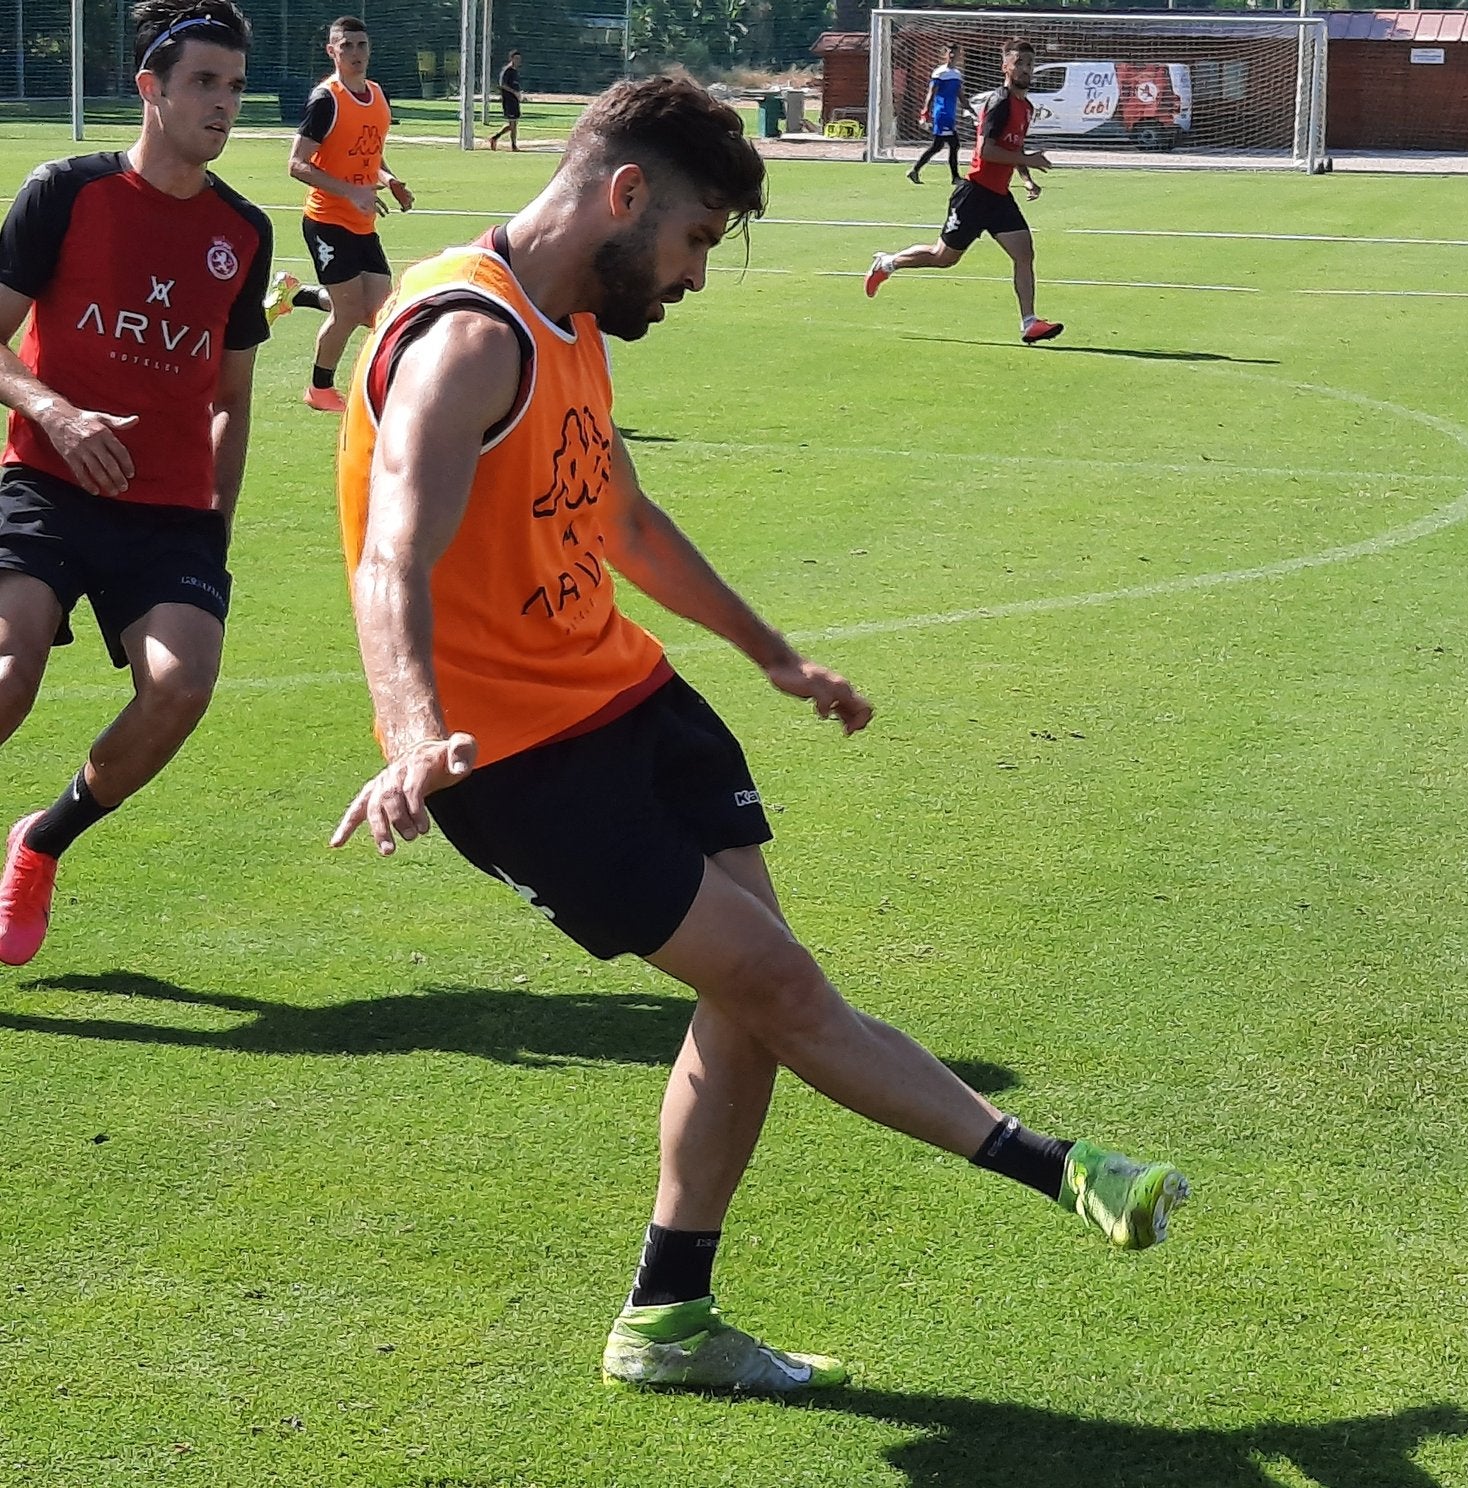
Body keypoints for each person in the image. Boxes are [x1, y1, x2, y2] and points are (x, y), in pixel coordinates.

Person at [330, 72, 1187, 1394]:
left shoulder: (566, 321)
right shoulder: (466, 338)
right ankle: (1059, 1167)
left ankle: (668, 1318)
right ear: (625, 197)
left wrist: (771, 654)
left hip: (629, 698)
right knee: (780, 992)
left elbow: (622, 519)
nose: (691, 279)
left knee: (750, 996)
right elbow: (392, 558)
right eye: (693, 244)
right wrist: (412, 730)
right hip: (521, 766)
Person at [0, 0, 271, 967]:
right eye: (204, 82)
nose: (223, 105)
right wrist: (58, 415)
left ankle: (40, 843)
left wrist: (216, 522)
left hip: (169, 514)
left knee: (181, 688)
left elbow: (233, 396)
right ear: (149, 88)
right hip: (45, 481)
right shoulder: (65, 191)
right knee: (7, 673)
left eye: (235, 86)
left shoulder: (243, 231)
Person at [864, 37, 1063, 346]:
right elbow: (988, 150)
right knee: (942, 257)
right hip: (974, 194)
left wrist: (1025, 178)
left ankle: (1030, 323)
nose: (1026, 69)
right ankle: (888, 263)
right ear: (1005, 67)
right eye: (1019, 63)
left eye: (1029, 64)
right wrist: (1027, 161)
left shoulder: (1026, 107)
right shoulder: (998, 102)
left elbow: (1014, 146)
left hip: (998, 197)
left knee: (1024, 253)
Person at [268, 14, 412, 413]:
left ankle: (297, 294)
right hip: (327, 220)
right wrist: (351, 193)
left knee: (376, 313)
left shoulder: (377, 96)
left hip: (361, 220)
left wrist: (389, 179)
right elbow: (297, 164)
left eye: (361, 45)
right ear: (331, 51)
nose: (355, 53)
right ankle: (319, 390)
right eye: (345, 46)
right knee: (349, 311)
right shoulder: (326, 99)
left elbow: (367, 152)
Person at [907, 43, 964, 185]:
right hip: (942, 114)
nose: (952, 55)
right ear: (945, 54)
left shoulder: (957, 74)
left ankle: (915, 170)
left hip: (950, 115)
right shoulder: (940, 73)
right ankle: (955, 177)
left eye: (955, 53)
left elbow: (960, 95)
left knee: (938, 146)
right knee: (954, 144)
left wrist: (972, 110)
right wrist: (925, 111)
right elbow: (931, 93)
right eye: (950, 52)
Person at [489, 49, 523, 151]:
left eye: (519, 59)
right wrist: (514, 92)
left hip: (515, 100)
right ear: (511, 58)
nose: (518, 61)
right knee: (513, 123)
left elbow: (515, 85)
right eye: (516, 58)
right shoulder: (507, 71)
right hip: (508, 100)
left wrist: (519, 94)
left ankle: (495, 138)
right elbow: (502, 85)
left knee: (513, 124)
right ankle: (513, 145)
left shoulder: (515, 71)